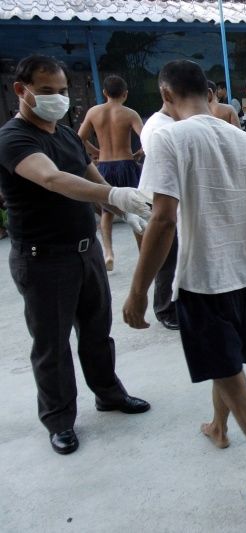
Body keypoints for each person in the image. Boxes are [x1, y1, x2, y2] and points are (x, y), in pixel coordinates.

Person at [122, 59, 246, 509]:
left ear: (166, 96)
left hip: (203, 286)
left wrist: (138, 291)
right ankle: (218, 427)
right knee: (226, 369)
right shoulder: (243, 139)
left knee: (235, 385)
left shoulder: (168, 139)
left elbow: (162, 219)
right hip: (242, 281)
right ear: (209, 93)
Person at [0, 55, 152, 455]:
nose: (57, 98)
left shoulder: (67, 135)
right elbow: (52, 179)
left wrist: (122, 209)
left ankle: (109, 394)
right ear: (22, 90)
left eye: (62, 91)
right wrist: (114, 193)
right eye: (46, 91)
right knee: (52, 345)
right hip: (43, 259)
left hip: (86, 251)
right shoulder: (14, 139)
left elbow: (91, 176)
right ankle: (60, 420)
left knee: (97, 333)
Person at [77, 74, 145, 271]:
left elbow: (79, 139)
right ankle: (143, 254)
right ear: (125, 94)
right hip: (126, 164)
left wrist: (96, 152)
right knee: (134, 207)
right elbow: (146, 138)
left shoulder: (94, 112)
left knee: (107, 211)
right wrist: (139, 152)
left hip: (105, 166)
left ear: (105, 92)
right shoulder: (130, 114)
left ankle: (108, 253)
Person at [139, 105, 180, 330]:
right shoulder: (159, 128)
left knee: (174, 257)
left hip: (173, 203)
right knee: (167, 258)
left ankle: (173, 304)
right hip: (163, 203)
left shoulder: (166, 124)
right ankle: (166, 310)